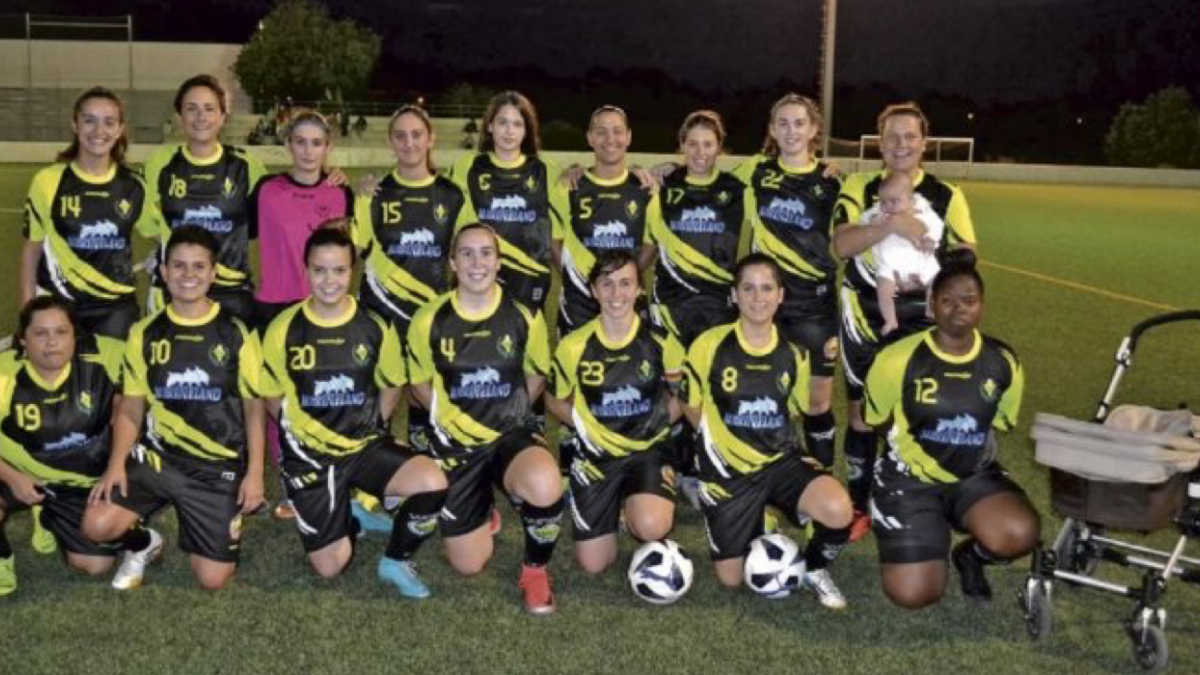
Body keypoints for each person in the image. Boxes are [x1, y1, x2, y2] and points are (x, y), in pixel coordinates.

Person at [260, 228, 448, 597]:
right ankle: (345, 512)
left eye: (339, 271)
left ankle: (395, 560)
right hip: (310, 458)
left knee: (431, 482)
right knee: (331, 566)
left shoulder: (374, 325)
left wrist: (373, 424)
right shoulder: (283, 329)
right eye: (320, 270)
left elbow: (393, 382)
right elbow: (272, 395)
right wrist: (304, 435)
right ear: (307, 270)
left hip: (362, 446)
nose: (330, 281)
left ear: (353, 271)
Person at [83, 226, 266, 590]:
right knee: (96, 526)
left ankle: (197, 519)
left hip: (216, 467)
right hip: (158, 456)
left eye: (199, 266)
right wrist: (117, 463)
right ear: (163, 272)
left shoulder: (236, 332)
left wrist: (256, 472)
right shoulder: (145, 332)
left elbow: (253, 407)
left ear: (214, 273)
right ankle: (144, 543)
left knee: (213, 579)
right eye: (179, 266)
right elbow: (132, 408)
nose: (188, 275)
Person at [831, 101, 977, 540]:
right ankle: (858, 502)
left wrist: (936, 267)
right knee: (861, 413)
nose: (901, 145)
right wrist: (893, 226)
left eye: (909, 136)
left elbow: (968, 253)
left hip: (924, 316)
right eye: (892, 136)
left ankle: (908, 497)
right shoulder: (859, 185)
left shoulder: (947, 194)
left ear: (923, 143)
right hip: (865, 309)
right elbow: (842, 245)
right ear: (879, 142)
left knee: (915, 412)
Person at [864, 249, 1038, 607]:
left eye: (969, 300)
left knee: (1019, 533)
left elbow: (998, 422)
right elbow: (875, 418)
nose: (959, 309)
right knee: (914, 594)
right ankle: (923, 528)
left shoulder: (1003, 362)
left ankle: (969, 556)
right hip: (909, 479)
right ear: (932, 305)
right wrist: (913, 450)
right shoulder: (896, 359)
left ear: (982, 305)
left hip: (970, 476)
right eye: (947, 300)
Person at [681, 254, 853, 610]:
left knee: (838, 509)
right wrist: (719, 445)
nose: (758, 298)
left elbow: (790, 411)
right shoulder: (707, 346)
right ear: (734, 295)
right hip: (728, 474)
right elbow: (690, 404)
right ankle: (761, 518)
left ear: (780, 295)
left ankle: (815, 568)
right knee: (731, 579)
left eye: (766, 288)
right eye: (748, 288)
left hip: (779, 459)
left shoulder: (795, 353)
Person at [407, 223, 563, 614]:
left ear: (499, 261)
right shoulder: (427, 320)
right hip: (457, 444)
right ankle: (484, 504)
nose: (477, 262)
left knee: (545, 483)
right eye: (467, 253)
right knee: (468, 564)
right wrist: (455, 423)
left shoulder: (525, 317)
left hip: (509, 434)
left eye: (486, 253)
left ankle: (534, 570)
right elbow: (419, 384)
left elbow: (536, 374)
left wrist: (509, 413)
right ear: (452, 262)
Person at [546, 250, 683, 575]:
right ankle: (615, 503)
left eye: (625, 284)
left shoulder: (662, 341)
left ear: (638, 289)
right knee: (593, 564)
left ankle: (637, 505)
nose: (616, 294)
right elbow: (554, 400)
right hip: (597, 456)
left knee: (651, 527)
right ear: (594, 290)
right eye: (607, 284)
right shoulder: (573, 345)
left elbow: (685, 397)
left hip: (647, 451)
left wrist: (655, 425)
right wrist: (589, 429)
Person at [353, 104, 476, 454]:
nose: (409, 143)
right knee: (381, 394)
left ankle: (428, 471)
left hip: (431, 316)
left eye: (417, 134)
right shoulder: (374, 194)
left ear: (430, 138)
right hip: (381, 314)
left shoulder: (452, 196)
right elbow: (356, 248)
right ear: (390, 141)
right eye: (400, 136)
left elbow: (468, 257)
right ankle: (378, 474)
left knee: (426, 398)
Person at [249, 110, 354, 521]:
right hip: (274, 304)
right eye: (300, 141)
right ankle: (291, 479)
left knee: (318, 391)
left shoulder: (341, 193)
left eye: (317, 143)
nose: (308, 151)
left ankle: (325, 468)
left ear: (328, 148)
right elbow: (234, 234)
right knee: (275, 395)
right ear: (287, 144)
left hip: (322, 308)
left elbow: (347, 252)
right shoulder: (265, 190)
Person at [0, 297, 125, 595]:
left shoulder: (103, 355)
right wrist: (12, 477)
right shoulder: (4, 374)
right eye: (40, 333)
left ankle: (46, 514)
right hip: (16, 473)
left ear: (75, 335)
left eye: (61, 332)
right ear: (22, 339)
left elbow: (152, 355)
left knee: (95, 565)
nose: (51, 342)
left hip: (74, 482)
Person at [20, 87, 157, 340]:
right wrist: (27, 313)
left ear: (119, 129)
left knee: (112, 380)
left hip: (116, 310)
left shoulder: (135, 185)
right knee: (57, 379)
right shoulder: (48, 181)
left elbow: (159, 232)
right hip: (59, 307)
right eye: (89, 121)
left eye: (109, 122)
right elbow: (32, 251)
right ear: (75, 124)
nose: (99, 131)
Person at [142, 74, 268, 323]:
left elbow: (276, 209)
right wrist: (167, 245)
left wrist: (326, 177)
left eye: (209, 109)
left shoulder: (246, 165)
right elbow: (142, 216)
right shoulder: (161, 162)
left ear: (222, 117)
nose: (201, 117)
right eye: (192, 109)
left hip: (232, 291)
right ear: (180, 116)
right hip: (177, 289)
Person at [449, 91, 567, 313]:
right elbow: (449, 227)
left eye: (517, 124)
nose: (509, 131)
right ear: (490, 126)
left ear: (526, 130)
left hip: (530, 284)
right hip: (478, 282)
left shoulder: (546, 172)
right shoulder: (467, 168)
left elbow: (556, 237)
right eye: (502, 122)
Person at [553, 105, 660, 334]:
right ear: (590, 138)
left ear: (628, 137)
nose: (610, 139)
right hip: (578, 303)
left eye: (617, 131)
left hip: (627, 302)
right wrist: (583, 282)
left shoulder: (645, 190)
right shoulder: (568, 187)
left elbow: (651, 242)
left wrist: (623, 281)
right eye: (601, 132)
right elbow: (554, 240)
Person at [865, 172, 943, 335]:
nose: (888, 206)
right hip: (890, 265)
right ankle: (891, 320)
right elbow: (865, 219)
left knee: (936, 280)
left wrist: (931, 239)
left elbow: (936, 224)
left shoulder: (922, 209)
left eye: (894, 201)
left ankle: (931, 307)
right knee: (883, 290)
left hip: (919, 261)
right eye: (884, 201)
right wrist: (873, 220)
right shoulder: (880, 212)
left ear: (910, 198)